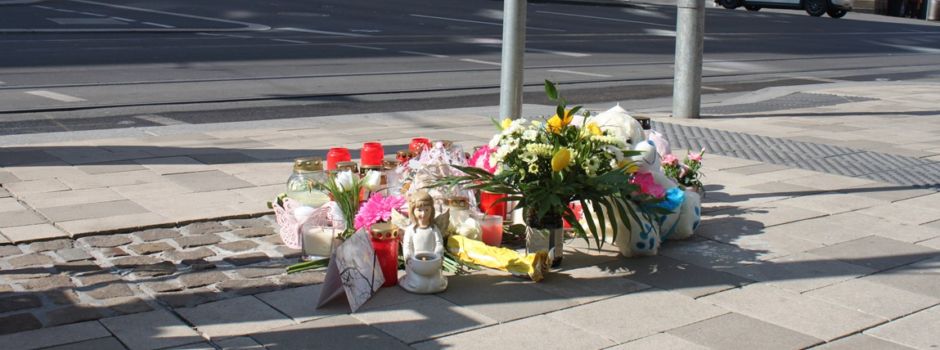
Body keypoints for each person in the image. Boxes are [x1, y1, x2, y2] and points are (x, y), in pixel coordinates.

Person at [402, 190, 444, 263]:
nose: (423, 213)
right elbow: (407, 245)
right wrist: (408, 256)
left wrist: (437, 254)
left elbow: (439, 243)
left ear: (431, 210)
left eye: (427, 210)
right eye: (419, 210)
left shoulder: (433, 229)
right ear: (413, 211)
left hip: (431, 261)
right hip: (415, 262)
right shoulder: (410, 230)